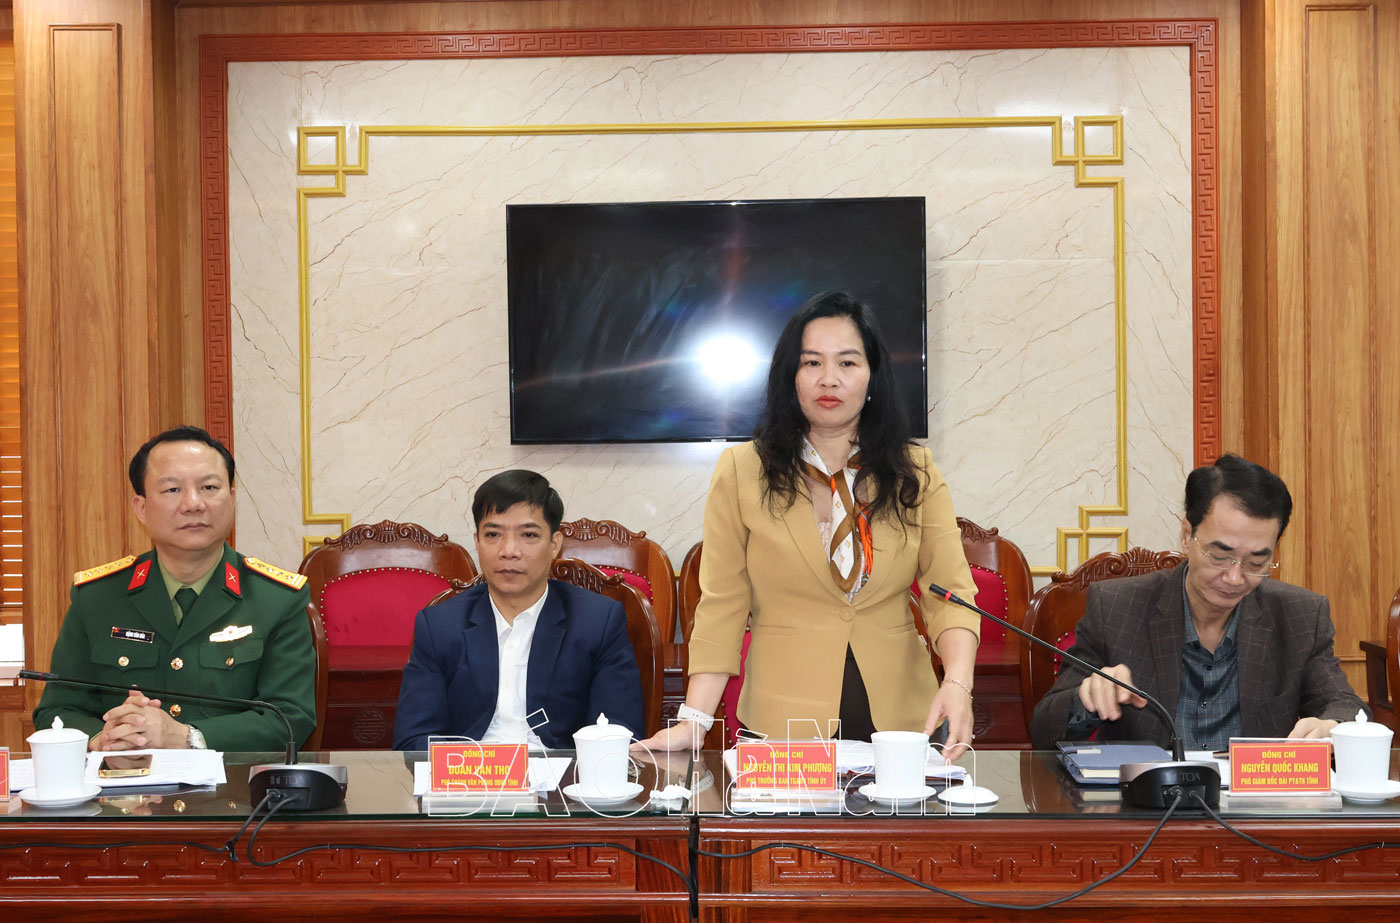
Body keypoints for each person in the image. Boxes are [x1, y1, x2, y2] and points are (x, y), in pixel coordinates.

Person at [637, 291, 981, 754]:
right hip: (784, 722)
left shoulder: (914, 470)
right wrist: (694, 722)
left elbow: (951, 593)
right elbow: (723, 604)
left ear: (872, 376)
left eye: (847, 362)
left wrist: (957, 684)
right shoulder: (743, 470)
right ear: (791, 376)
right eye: (812, 362)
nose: (829, 379)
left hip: (904, 720)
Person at [1030, 454, 1367, 750]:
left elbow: (1348, 707)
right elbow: (1044, 729)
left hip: (1254, 799)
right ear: (1186, 535)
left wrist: (1332, 727)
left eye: (1256, 562)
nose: (1234, 578)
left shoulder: (1300, 616)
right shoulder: (1116, 607)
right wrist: (1088, 699)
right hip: (1147, 798)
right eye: (1219, 556)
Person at [34, 426, 317, 751]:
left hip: (233, 783)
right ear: (141, 508)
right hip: (121, 781)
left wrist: (189, 737)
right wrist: (105, 740)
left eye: (209, 487)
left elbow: (291, 718)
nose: (193, 503)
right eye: (172, 489)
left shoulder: (277, 599)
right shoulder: (97, 598)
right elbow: (57, 711)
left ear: (232, 499)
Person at [393, 470, 643, 750]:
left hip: (561, 775)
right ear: (477, 541)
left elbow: (618, 736)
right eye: (493, 534)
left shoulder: (597, 622)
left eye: (528, 535)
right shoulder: (439, 625)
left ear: (554, 545)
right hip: (469, 772)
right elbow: (413, 741)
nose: (509, 550)